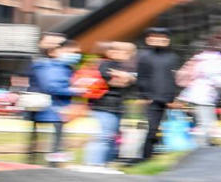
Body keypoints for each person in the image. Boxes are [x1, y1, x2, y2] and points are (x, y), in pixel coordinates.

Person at [83, 41, 136, 171]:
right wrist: (127, 78)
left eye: (125, 52)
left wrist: (127, 78)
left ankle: (104, 164)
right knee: (104, 136)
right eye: (115, 50)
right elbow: (116, 82)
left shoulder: (125, 67)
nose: (119, 53)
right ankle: (94, 164)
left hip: (117, 106)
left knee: (112, 137)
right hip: (103, 106)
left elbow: (131, 82)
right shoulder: (105, 64)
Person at [28, 38, 83, 165]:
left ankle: (50, 165)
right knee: (54, 143)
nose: (75, 55)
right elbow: (51, 87)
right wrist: (76, 90)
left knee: (56, 143)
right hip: (51, 109)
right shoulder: (51, 67)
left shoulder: (65, 67)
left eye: (77, 53)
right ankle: (49, 166)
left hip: (58, 109)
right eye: (72, 52)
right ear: (57, 51)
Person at [137, 27, 179, 162]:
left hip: (168, 99)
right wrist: (145, 96)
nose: (158, 40)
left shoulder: (172, 57)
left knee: (168, 129)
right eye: (154, 37)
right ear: (148, 39)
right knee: (152, 129)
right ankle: (146, 159)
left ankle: (162, 156)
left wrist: (174, 98)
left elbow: (173, 78)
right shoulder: (144, 56)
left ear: (167, 40)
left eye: (162, 37)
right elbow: (142, 77)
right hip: (152, 100)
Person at [177, 46, 221, 144]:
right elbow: (216, 78)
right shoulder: (213, 60)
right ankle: (200, 145)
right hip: (203, 96)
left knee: (206, 123)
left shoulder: (201, 58)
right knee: (205, 123)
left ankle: (204, 144)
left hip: (201, 96)